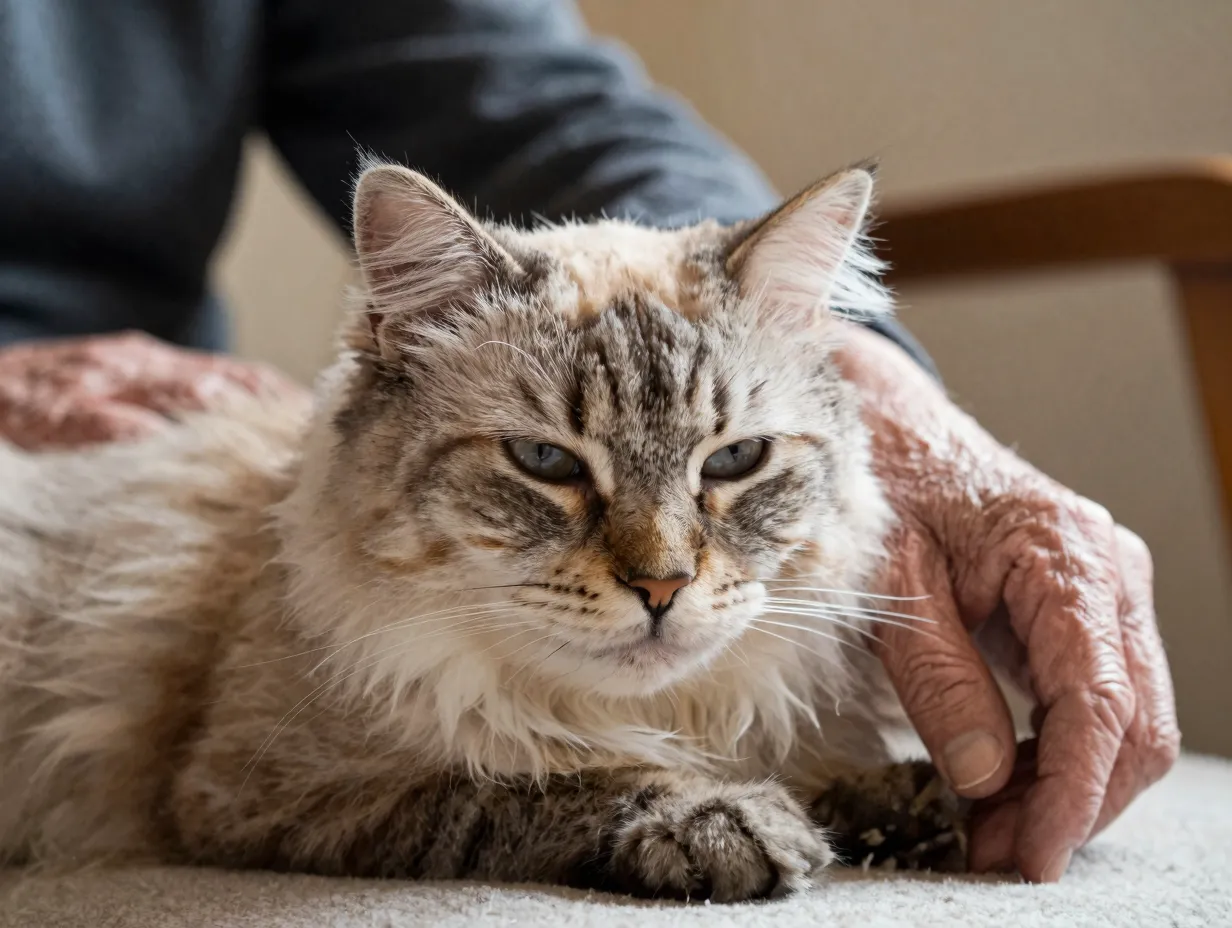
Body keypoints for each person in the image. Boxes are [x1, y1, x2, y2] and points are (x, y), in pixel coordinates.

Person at [0, 0, 1178, 883]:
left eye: (733, 467)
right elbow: (235, 796)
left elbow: (542, 96)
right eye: (550, 466)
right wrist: (601, 814)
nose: (657, 568)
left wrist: (885, 385)